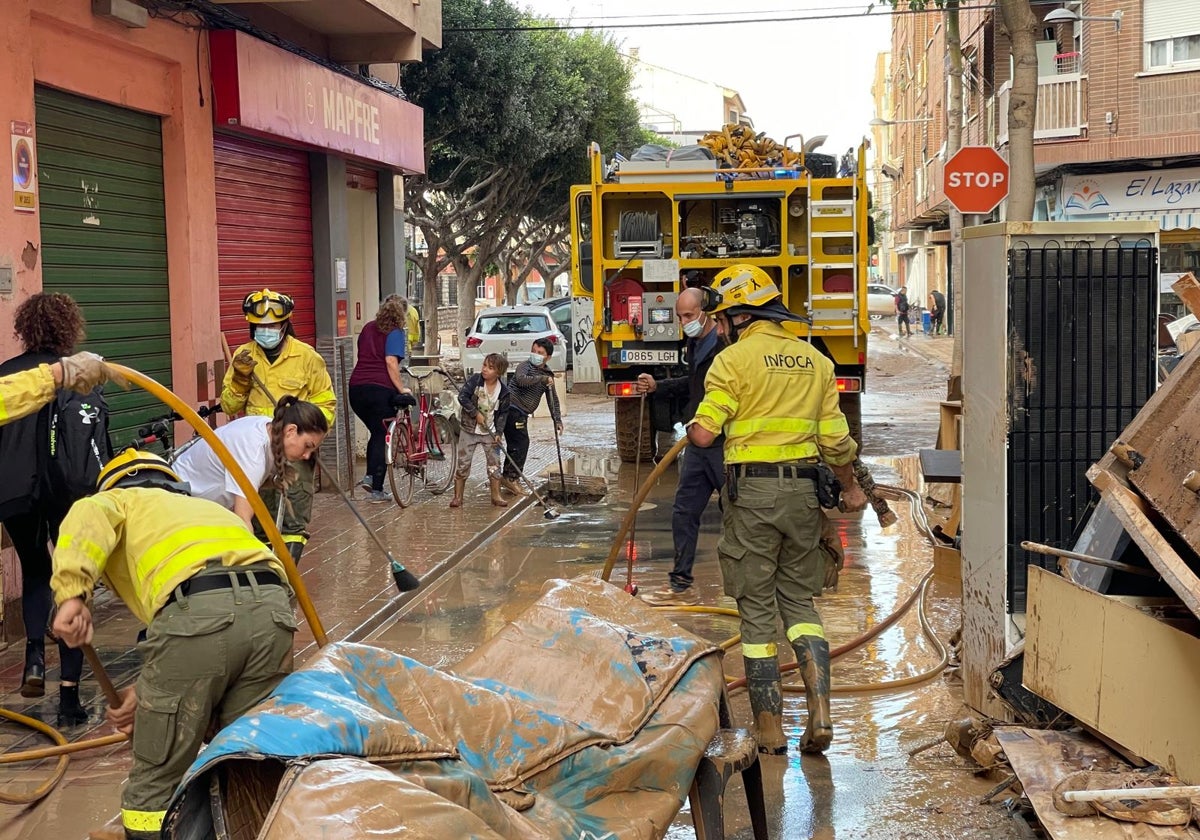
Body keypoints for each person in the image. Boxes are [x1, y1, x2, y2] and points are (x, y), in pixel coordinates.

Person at [49, 448, 294, 840]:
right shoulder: (202, 509)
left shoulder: (116, 500)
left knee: (155, 777)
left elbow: (86, 518)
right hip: (273, 611)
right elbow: (192, 642)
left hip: (198, 611)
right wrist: (147, 693)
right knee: (247, 757)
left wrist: (72, 594)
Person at [687, 264, 867, 756]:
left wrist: (692, 428)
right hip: (805, 499)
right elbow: (836, 442)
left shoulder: (732, 361)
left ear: (740, 316)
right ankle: (821, 714)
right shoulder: (816, 362)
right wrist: (851, 491)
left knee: (756, 610)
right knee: (802, 607)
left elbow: (705, 433)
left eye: (721, 318)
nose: (718, 326)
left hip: (754, 500)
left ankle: (769, 730)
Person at [0, 293, 96, 722]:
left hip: (15, 494)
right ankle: (70, 700)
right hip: (66, 495)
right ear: (68, 328)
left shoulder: (6, 376)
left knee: (36, 570)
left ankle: (35, 657)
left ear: (26, 328)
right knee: (72, 581)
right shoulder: (74, 376)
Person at [221, 289, 335, 563]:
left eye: (272, 325)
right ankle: (263, 576)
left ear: (284, 325)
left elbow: (327, 407)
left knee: (293, 522)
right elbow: (228, 406)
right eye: (260, 326)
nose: (266, 330)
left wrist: (304, 430)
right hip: (257, 454)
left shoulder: (307, 358)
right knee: (258, 519)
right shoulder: (244, 357)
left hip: (295, 454)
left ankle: (288, 579)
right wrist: (239, 379)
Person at [634, 287, 723, 606]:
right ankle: (680, 582)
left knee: (741, 514)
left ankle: (752, 587)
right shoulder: (696, 342)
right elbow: (693, 384)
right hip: (699, 441)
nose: (685, 322)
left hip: (725, 442)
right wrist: (660, 387)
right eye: (680, 317)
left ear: (706, 311)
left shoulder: (726, 345)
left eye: (689, 316)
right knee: (684, 511)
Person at [172, 396, 329, 527]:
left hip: (197, 506)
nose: (307, 456)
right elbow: (243, 518)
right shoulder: (253, 450)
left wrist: (273, 481)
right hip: (178, 503)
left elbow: (247, 479)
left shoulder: (267, 426)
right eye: (307, 446)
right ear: (291, 431)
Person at [348, 296, 413, 502]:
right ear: (401, 315)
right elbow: (391, 362)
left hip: (356, 389)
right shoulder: (395, 332)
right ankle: (375, 487)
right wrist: (402, 389)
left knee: (376, 432)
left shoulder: (367, 328)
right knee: (381, 433)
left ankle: (371, 478)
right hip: (379, 389)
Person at [499, 338, 562, 498]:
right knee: (520, 443)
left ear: (547, 357)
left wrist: (557, 419)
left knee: (517, 444)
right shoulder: (524, 366)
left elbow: (552, 398)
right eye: (534, 351)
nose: (535, 355)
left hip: (522, 412)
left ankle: (508, 476)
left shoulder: (547, 375)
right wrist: (541, 379)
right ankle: (510, 478)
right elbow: (521, 380)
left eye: (540, 353)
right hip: (511, 408)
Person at [451, 353, 510, 509]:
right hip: (469, 429)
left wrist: (499, 433)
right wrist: (474, 413)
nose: (485, 370)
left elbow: (503, 414)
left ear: (498, 372)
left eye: (490, 368)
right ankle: (458, 496)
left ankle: (496, 495)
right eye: (485, 365)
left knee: (494, 464)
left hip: (489, 432)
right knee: (463, 463)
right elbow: (463, 397)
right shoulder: (475, 381)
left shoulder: (503, 392)